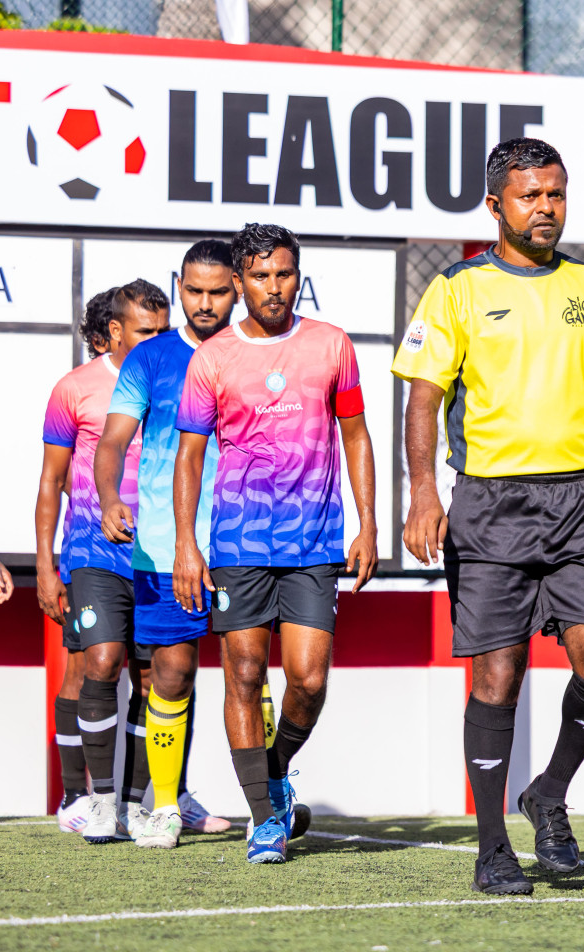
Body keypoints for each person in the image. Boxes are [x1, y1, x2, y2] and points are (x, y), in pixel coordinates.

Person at [393, 138, 584, 897]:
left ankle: (549, 791)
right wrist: (422, 493)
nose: (546, 208)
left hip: (580, 501)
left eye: (556, 195)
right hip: (492, 504)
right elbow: (423, 397)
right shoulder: (456, 289)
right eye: (530, 196)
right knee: (497, 677)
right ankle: (492, 847)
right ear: (495, 205)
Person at [173, 222, 378, 865]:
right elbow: (188, 457)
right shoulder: (212, 359)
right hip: (236, 544)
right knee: (242, 671)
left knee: (309, 679)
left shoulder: (332, 346)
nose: (274, 287)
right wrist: (187, 544)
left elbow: (357, 436)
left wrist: (367, 522)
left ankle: (275, 772)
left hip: (314, 543)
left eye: (284, 274)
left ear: (299, 276)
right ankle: (265, 818)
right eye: (260, 276)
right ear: (238, 283)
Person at [96, 241, 243, 848]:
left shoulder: (255, 355)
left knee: (249, 673)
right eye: (194, 291)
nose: (205, 304)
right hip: (162, 547)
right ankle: (162, 805)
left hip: (245, 544)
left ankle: (269, 801)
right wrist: (109, 497)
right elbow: (111, 443)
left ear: (237, 287)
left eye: (218, 291)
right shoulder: (150, 357)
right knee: (171, 674)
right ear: (179, 286)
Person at [38, 281, 170, 843]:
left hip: (161, 551)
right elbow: (50, 483)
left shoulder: (181, 380)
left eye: (163, 332)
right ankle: (95, 798)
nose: (156, 343)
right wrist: (46, 566)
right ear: (114, 332)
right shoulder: (75, 389)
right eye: (146, 332)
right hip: (94, 550)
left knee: (153, 676)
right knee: (101, 659)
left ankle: (138, 805)